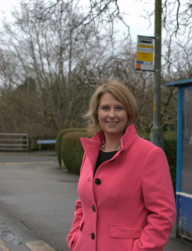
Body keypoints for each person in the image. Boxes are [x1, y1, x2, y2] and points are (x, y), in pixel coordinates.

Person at [67, 80, 176, 251]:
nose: (112, 114)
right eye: (105, 108)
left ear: (129, 113)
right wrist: (74, 238)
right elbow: (83, 203)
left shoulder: (149, 154)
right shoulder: (90, 153)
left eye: (119, 108)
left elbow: (163, 214)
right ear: (96, 113)